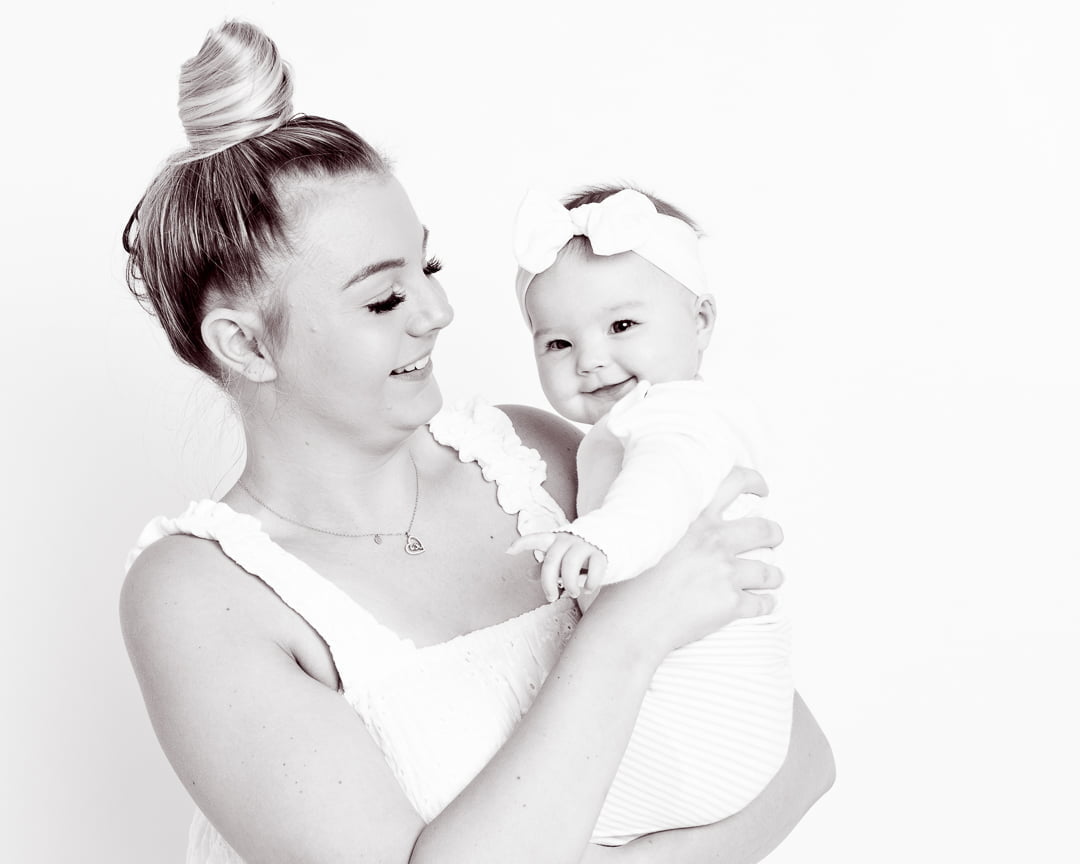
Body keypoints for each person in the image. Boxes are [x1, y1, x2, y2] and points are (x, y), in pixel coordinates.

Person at [119, 20, 834, 864]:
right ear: (247, 345)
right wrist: (622, 637)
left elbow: (800, 760)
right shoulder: (201, 597)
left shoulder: (530, 459)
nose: (437, 313)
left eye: (430, 269)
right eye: (384, 300)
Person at [510, 186, 794, 845]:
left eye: (621, 326)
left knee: (508, 813)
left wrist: (600, 539)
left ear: (700, 321)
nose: (590, 358)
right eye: (556, 343)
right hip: (721, 732)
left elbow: (660, 490)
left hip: (703, 734)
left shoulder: (679, 419)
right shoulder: (631, 423)